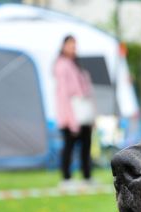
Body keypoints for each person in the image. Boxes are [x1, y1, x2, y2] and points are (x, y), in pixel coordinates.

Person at [54, 35, 95, 186]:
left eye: (75, 45)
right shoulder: (61, 66)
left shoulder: (76, 65)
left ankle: (87, 176)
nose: (73, 48)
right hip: (69, 115)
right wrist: (71, 121)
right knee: (69, 147)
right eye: (71, 45)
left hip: (83, 113)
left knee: (86, 146)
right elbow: (64, 95)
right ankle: (66, 178)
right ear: (64, 46)